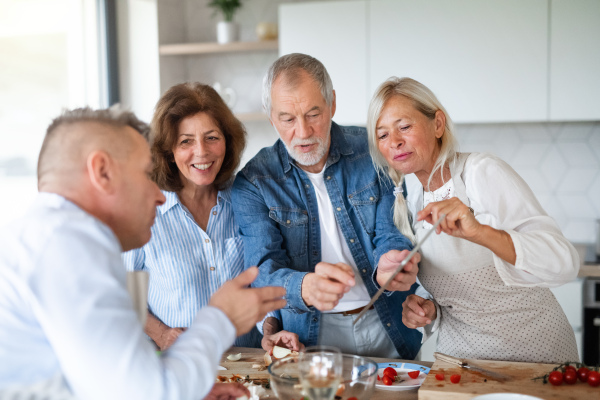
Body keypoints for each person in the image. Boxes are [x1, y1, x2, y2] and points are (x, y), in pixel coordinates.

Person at [0, 107, 286, 399]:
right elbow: (147, 392)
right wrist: (221, 318)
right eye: (146, 174)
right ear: (102, 172)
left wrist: (186, 389)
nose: (160, 195)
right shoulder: (68, 247)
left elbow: (107, 385)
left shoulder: (47, 237)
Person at [367, 76, 580, 363]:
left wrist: (479, 232)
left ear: (438, 124)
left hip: (534, 360)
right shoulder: (414, 198)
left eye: (404, 127)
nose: (395, 142)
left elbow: (564, 264)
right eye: (382, 135)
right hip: (462, 367)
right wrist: (430, 311)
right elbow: (464, 298)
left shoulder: (481, 173)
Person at [232, 53, 424, 359]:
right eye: (288, 119)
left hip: (385, 320)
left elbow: (393, 228)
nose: (304, 132)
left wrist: (391, 261)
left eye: (313, 114)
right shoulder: (254, 182)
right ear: (271, 118)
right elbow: (262, 270)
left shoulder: (374, 150)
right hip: (308, 332)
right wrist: (305, 285)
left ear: (332, 103)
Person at [122, 82, 262, 350]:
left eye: (212, 137)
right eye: (186, 141)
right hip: (178, 367)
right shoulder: (143, 212)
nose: (202, 151)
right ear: (169, 151)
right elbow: (123, 293)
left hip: (249, 368)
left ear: (227, 142)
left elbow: (267, 275)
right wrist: (162, 334)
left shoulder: (248, 199)